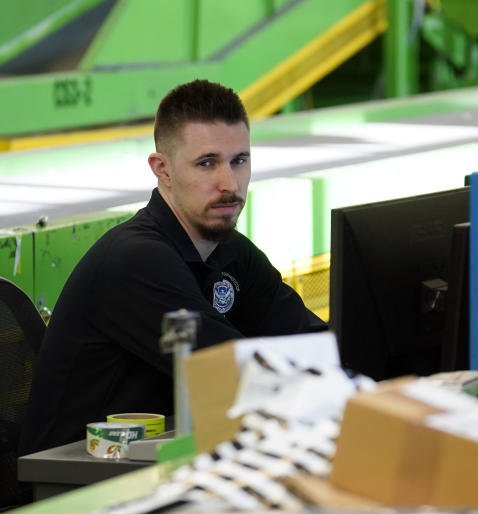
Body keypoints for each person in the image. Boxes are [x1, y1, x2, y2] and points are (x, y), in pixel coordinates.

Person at [21, 79, 326, 456]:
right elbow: (239, 377)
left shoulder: (230, 252)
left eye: (239, 161)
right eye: (207, 163)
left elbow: (312, 342)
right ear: (162, 169)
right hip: (78, 484)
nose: (229, 183)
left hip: (157, 462)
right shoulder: (135, 260)